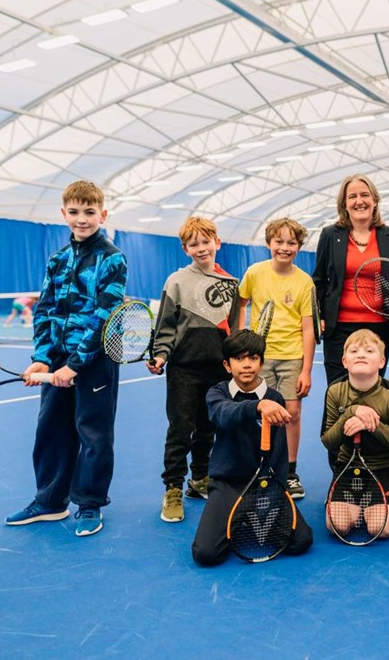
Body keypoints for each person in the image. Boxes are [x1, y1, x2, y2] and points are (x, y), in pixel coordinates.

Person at [6, 180, 127, 537]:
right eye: (74, 212)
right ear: (64, 214)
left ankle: (89, 504)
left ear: (102, 214)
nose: (82, 219)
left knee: (94, 434)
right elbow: (45, 309)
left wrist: (75, 364)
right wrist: (43, 359)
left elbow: (105, 317)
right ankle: (49, 502)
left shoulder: (113, 259)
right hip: (57, 360)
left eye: (89, 212)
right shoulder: (57, 259)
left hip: (95, 362)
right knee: (51, 430)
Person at [191, 330, 313, 566]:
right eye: (239, 359)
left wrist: (279, 487)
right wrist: (257, 407)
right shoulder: (217, 394)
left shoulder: (275, 398)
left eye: (253, 358)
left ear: (261, 362)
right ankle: (239, 514)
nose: (246, 365)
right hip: (229, 483)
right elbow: (225, 415)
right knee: (206, 554)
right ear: (227, 365)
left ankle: (246, 514)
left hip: (266, 485)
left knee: (301, 541)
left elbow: (278, 450)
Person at [148, 217, 238, 523]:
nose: (201, 248)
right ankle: (173, 488)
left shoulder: (231, 284)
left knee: (207, 429)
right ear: (185, 248)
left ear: (217, 242)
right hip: (183, 370)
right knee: (180, 430)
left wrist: (237, 364)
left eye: (205, 241)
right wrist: (160, 356)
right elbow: (165, 327)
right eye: (194, 244)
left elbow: (235, 330)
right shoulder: (175, 281)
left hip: (219, 371)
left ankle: (200, 479)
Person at [236, 218, 316, 500]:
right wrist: (238, 340)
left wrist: (306, 369)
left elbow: (308, 327)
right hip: (261, 358)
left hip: (293, 357)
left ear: (298, 246)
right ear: (269, 243)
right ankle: (261, 467)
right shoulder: (255, 273)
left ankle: (290, 472)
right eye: (279, 241)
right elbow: (241, 303)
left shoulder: (304, 282)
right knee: (260, 414)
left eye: (291, 243)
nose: (284, 248)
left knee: (292, 415)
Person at [312, 174, 389, 387]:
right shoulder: (329, 235)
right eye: (352, 196)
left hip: (380, 327)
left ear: (374, 200)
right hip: (339, 328)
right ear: (344, 204)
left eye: (364, 195)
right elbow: (319, 280)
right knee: (337, 392)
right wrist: (319, 316)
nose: (359, 201)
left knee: (373, 391)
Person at [321, 329, 389, 539]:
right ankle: (361, 503)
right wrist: (351, 413)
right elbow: (329, 442)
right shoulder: (335, 391)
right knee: (338, 526)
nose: (361, 354)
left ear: (381, 361)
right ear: (344, 361)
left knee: (379, 529)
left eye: (369, 350)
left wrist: (372, 424)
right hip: (349, 465)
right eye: (354, 351)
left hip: (388, 466)